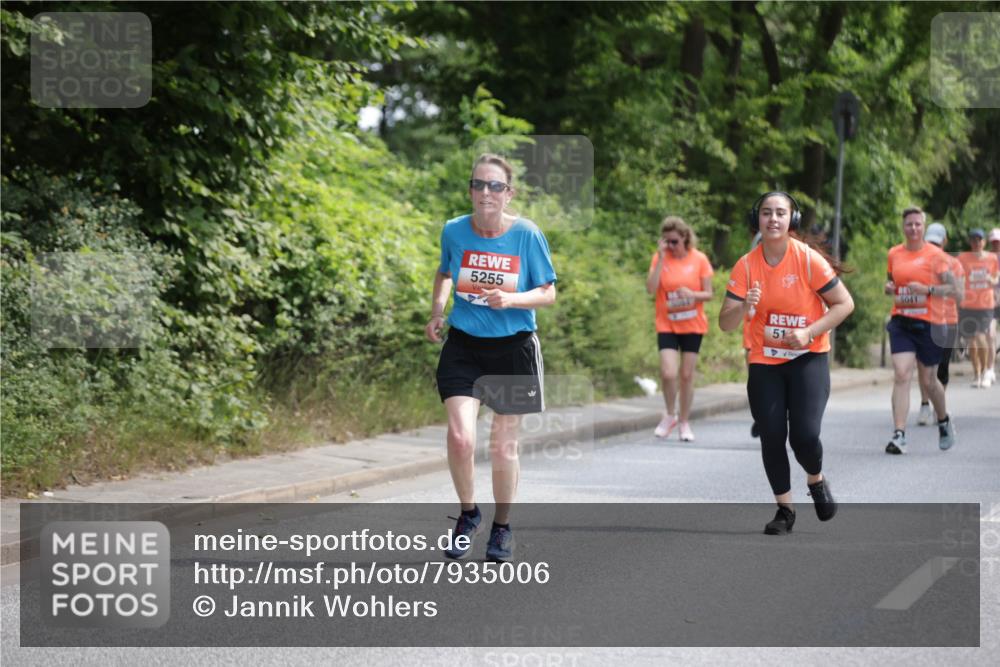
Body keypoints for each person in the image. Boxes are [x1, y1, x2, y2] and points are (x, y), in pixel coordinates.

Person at [426, 153, 557, 562]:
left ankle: (502, 526)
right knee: (462, 437)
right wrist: (437, 311)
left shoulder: (526, 235)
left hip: (513, 347)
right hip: (464, 345)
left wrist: (513, 299)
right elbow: (445, 271)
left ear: (508, 193)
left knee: (502, 448)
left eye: (495, 186)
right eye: (479, 185)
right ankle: (469, 514)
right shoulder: (454, 231)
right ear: (470, 190)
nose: (486, 192)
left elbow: (548, 292)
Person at [719, 192, 854, 535]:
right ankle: (785, 510)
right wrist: (741, 304)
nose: (773, 219)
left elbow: (844, 304)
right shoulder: (746, 266)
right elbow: (726, 323)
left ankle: (816, 479)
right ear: (758, 219)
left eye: (780, 213)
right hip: (765, 360)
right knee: (772, 434)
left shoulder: (808, 260)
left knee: (805, 437)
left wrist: (809, 331)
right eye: (766, 213)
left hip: (808, 357)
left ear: (791, 220)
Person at [884, 206, 958, 454]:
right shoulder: (894, 253)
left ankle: (944, 420)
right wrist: (889, 287)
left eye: (917, 224)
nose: (913, 228)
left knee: (929, 381)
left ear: (923, 227)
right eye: (909, 224)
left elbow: (955, 290)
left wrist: (927, 290)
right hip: (901, 322)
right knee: (902, 373)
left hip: (930, 323)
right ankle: (899, 434)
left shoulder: (937, 256)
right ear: (903, 227)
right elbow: (892, 281)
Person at [646, 216, 714, 442]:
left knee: (686, 376)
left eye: (674, 241)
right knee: (668, 373)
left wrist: (692, 294)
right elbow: (650, 289)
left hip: (692, 324)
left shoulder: (700, 259)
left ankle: (684, 421)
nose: (670, 246)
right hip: (667, 323)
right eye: (666, 241)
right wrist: (662, 258)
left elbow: (709, 293)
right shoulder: (661, 258)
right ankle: (670, 415)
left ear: (685, 237)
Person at [917, 223, 963, 424]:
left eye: (937, 242)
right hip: (925, 317)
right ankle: (925, 405)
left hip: (948, 320)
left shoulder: (955, 264)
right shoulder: (920, 261)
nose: (934, 246)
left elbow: (960, 295)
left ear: (945, 241)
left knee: (941, 368)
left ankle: (939, 406)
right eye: (930, 242)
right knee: (923, 365)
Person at [957, 228, 999, 388]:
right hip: (967, 304)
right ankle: (977, 374)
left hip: (985, 304)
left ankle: (988, 371)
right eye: (973, 240)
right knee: (971, 342)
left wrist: (991, 280)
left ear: (984, 242)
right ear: (970, 242)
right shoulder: (963, 258)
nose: (976, 243)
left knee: (982, 337)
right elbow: (958, 277)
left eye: (979, 240)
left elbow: (996, 278)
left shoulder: (992, 258)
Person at [988, 227, 1000, 383]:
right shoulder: (987, 259)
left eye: (998, 242)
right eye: (994, 242)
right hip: (990, 302)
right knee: (990, 334)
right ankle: (989, 369)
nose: (996, 245)